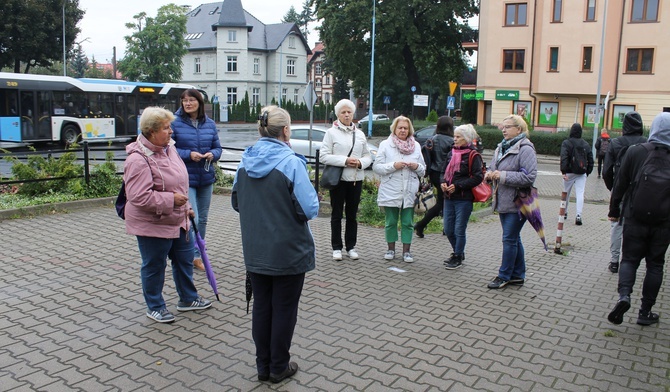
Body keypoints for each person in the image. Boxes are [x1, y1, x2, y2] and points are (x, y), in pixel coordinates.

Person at [232, 106, 319, 383]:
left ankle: (263, 365)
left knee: (261, 307)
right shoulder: (291, 163)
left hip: (256, 248)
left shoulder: (244, 162)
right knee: (284, 308)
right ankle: (278, 367)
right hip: (288, 250)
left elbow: (236, 202)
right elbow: (309, 208)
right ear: (285, 131)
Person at [123, 106, 212, 324]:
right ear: (151, 131)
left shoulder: (169, 148)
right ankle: (155, 306)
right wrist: (172, 201)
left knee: (183, 259)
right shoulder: (137, 159)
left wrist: (186, 206)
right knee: (154, 265)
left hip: (178, 218)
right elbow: (138, 197)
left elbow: (180, 182)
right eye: (166, 128)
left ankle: (188, 299)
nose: (171, 131)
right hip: (152, 223)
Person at [606, 112, 670, 326]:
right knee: (655, 265)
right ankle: (645, 312)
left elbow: (619, 186)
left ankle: (624, 296)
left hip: (634, 216)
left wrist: (614, 210)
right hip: (664, 222)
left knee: (629, 260)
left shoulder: (635, 152)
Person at [485, 114, 538, 289]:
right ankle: (517, 275)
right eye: (503, 126)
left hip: (518, 202)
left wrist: (503, 176)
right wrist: (489, 174)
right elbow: (494, 166)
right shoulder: (501, 147)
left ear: (519, 129)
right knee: (514, 239)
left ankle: (504, 275)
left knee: (509, 239)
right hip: (503, 200)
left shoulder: (525, 149)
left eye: (507, 126)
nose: (503, 129)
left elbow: (529, 177)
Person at [172, 89, 222, 271]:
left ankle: (199, 252)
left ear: (199, 103)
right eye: (184, 100)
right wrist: (188, 154)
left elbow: (218, 148)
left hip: (206, 177)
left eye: (191, 100)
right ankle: (192, 255)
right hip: (186, 178)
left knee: (204, 219)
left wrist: (212, 155)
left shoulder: (209, 124)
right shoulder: (175, 123)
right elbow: (170, 150)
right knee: (194, 217)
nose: (187, 103)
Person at [320, 99, 373, 261]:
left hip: (356, 179)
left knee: (352, 215)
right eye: (343, 112)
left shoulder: (360, 134)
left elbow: (368, 156)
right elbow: (324, 156)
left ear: (353, 113)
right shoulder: (331, 133)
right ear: (338, 115)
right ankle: (336, 247)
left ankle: (351, 246)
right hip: (339, 180)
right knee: (336, 214)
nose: (346, 114)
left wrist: (360, 163)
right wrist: (345, 161)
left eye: (349, 111)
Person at [373, 116, 425, 263]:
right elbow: (377, 167)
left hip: (409, 191)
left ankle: (407, 252)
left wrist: (417, 167)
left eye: (406, 128)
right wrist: (393, 166)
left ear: (410, 130)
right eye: (400, 127)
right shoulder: (385, 144)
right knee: (391, 222)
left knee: (408, 222)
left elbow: (423, 170)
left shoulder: (416, 146)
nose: (403, 130)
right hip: (391, 190)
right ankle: (390, 249)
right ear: (394, 129)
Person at [602, 111, 646, 273]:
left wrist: (612, 187)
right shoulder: (646, 143)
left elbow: (607, 170)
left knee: (616, 224)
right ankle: (630, 260)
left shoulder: (616, 143)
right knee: (636, 225)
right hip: (641, 190)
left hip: (620, 188)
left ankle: (614, 261)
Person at [441, 124, 484, 270]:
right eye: (454, 136)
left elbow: (478, 177)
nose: (455, 139)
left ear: (466, 139)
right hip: (449, 197)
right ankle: (458, 252)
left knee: (459, 229)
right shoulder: (451, 153)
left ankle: (458, 255)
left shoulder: (473, 155)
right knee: (448, 229)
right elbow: (443, 172)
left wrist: (458, 185)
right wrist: (442, 182)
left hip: (463, 198)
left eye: (458, 137)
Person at [414, 116, 454, 238]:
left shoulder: (431, 139)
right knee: (443, 202)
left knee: (445, 201)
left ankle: (445, 228)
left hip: (433, 173)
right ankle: (421, 224)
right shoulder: (451, 141)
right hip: (446, 175)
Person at [559, 123, 594, 225]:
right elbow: (591, 160)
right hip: (581, 172)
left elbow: (564, 157)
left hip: (569, 172)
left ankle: (564, 212)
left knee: (566, 192)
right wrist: (587, 172)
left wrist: (564, 171)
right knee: (580, 193)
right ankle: (578, 215)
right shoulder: (585, 144)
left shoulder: (566, 143)